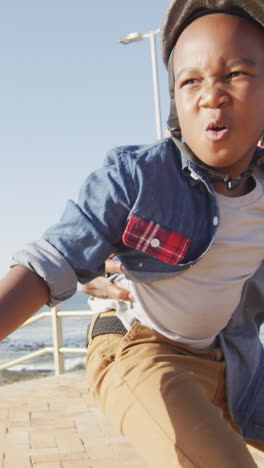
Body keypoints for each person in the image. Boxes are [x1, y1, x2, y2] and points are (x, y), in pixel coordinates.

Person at [1, 0, 264, 466]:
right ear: (176, 104)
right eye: (191, 81)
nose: (212, 95)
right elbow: (52, 260)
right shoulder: (139, 178)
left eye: (236, 74)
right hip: (141, 348)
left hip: (231, 355)